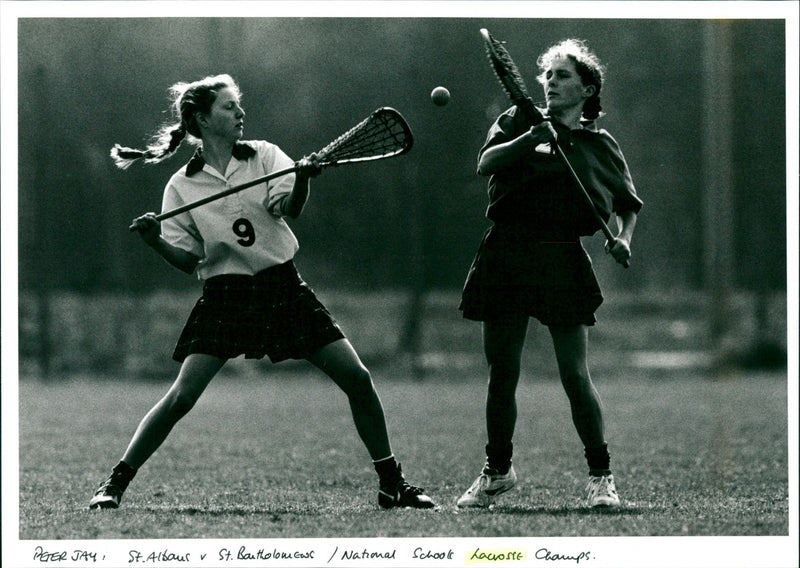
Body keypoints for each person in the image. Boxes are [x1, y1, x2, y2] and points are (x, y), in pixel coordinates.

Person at [88, 74, 434, 511]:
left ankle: (393, 485)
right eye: (229, 107)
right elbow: (189, 260)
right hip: (225, 295)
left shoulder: (267, 155)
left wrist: (303, 179)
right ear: (201, 118)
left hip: (281, 286)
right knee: (182, 397)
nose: (240, 113)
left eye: (239, 105)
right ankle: (114, 484)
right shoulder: (181, 185)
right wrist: (156, 240)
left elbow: (287, 208)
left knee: (358, 379)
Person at [456, 40, 642, 509]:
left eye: (563, 76)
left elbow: (627, 206)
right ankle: (497, 472)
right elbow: (485, 163)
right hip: (507, 250)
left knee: (574, 373)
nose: (552, 82)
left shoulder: (600, 144)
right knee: (503, 371)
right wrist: (530, 140)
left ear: (587, 87)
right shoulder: (519, 120)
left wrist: (623, 239)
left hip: (561, 257)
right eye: (549, 75)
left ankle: (601, 479)